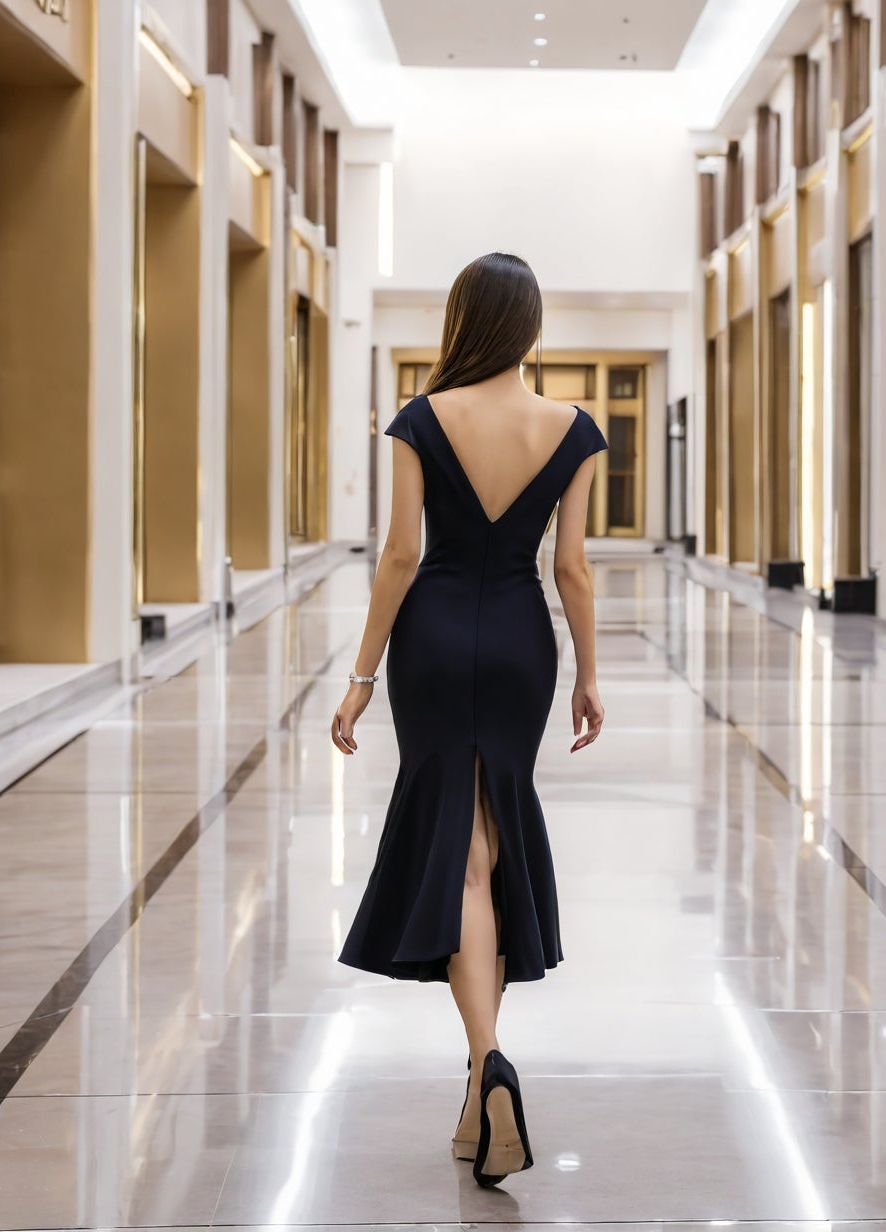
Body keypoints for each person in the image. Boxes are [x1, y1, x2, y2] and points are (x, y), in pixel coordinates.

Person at [331, 251, 608, 1188]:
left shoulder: (420, 418)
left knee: (461, 849)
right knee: (488, 844)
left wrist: (363, 674)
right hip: (524, 645)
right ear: (529, 329)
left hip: (435, 644)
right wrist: (589, 677)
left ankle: (487, 1063)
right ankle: (476, 1090)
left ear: (462, 322)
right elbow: (570, 567)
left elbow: (400, 555)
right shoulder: (571, 429)